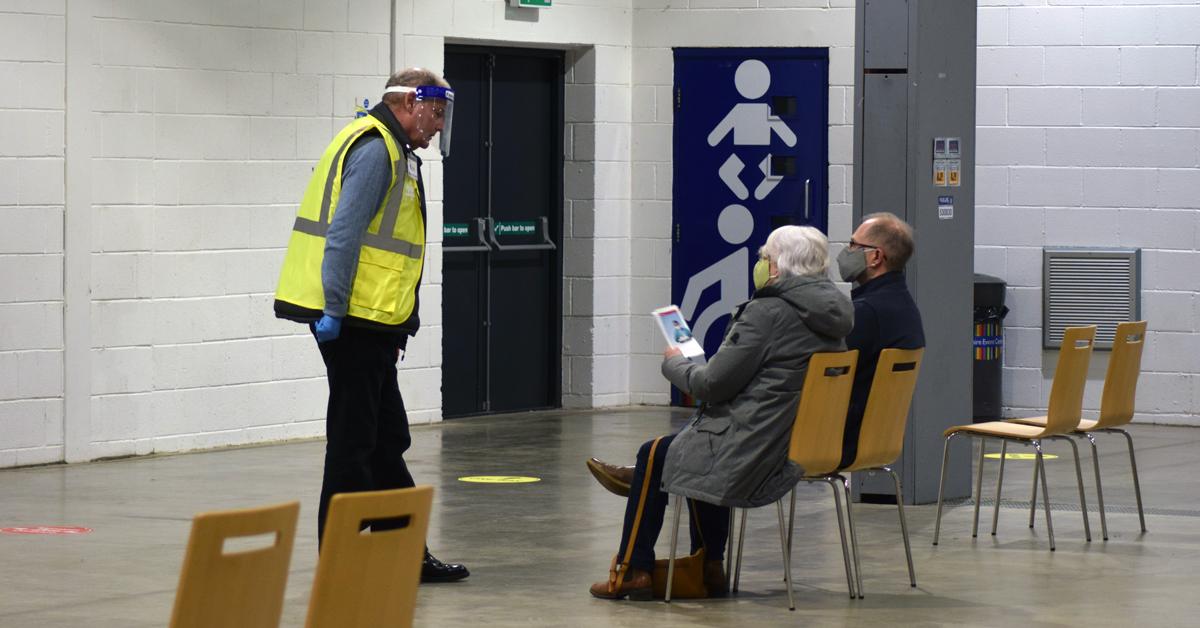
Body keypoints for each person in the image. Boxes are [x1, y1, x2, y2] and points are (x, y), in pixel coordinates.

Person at [273, 67, 468, 583]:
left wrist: (399, 326)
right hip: (352, 321)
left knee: (385, 439)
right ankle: (337, 560)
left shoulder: (394, 149)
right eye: (436, 112)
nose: (438, 124)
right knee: (354, 443)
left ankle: (405, 552)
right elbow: (343, 234)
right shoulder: (376, 149)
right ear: (407, 102)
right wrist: (334, 310)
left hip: (375, 323)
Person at [588, 226, 854, 600]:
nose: (760, 264)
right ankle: (709, 565)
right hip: (794, 442)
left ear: (778, 269)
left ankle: (634, 569)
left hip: (754, 447)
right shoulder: (835, 316)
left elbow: (713, 384)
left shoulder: (767, 312)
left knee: (658, 453)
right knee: (684, 448)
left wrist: (675, 365)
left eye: (765, 258)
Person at [833, 212, 926, 470]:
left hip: (837, 440)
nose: (846, 251)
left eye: (854, 245)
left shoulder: (866, 313)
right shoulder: (906, 307)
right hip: (878, 441)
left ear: (875, 257)